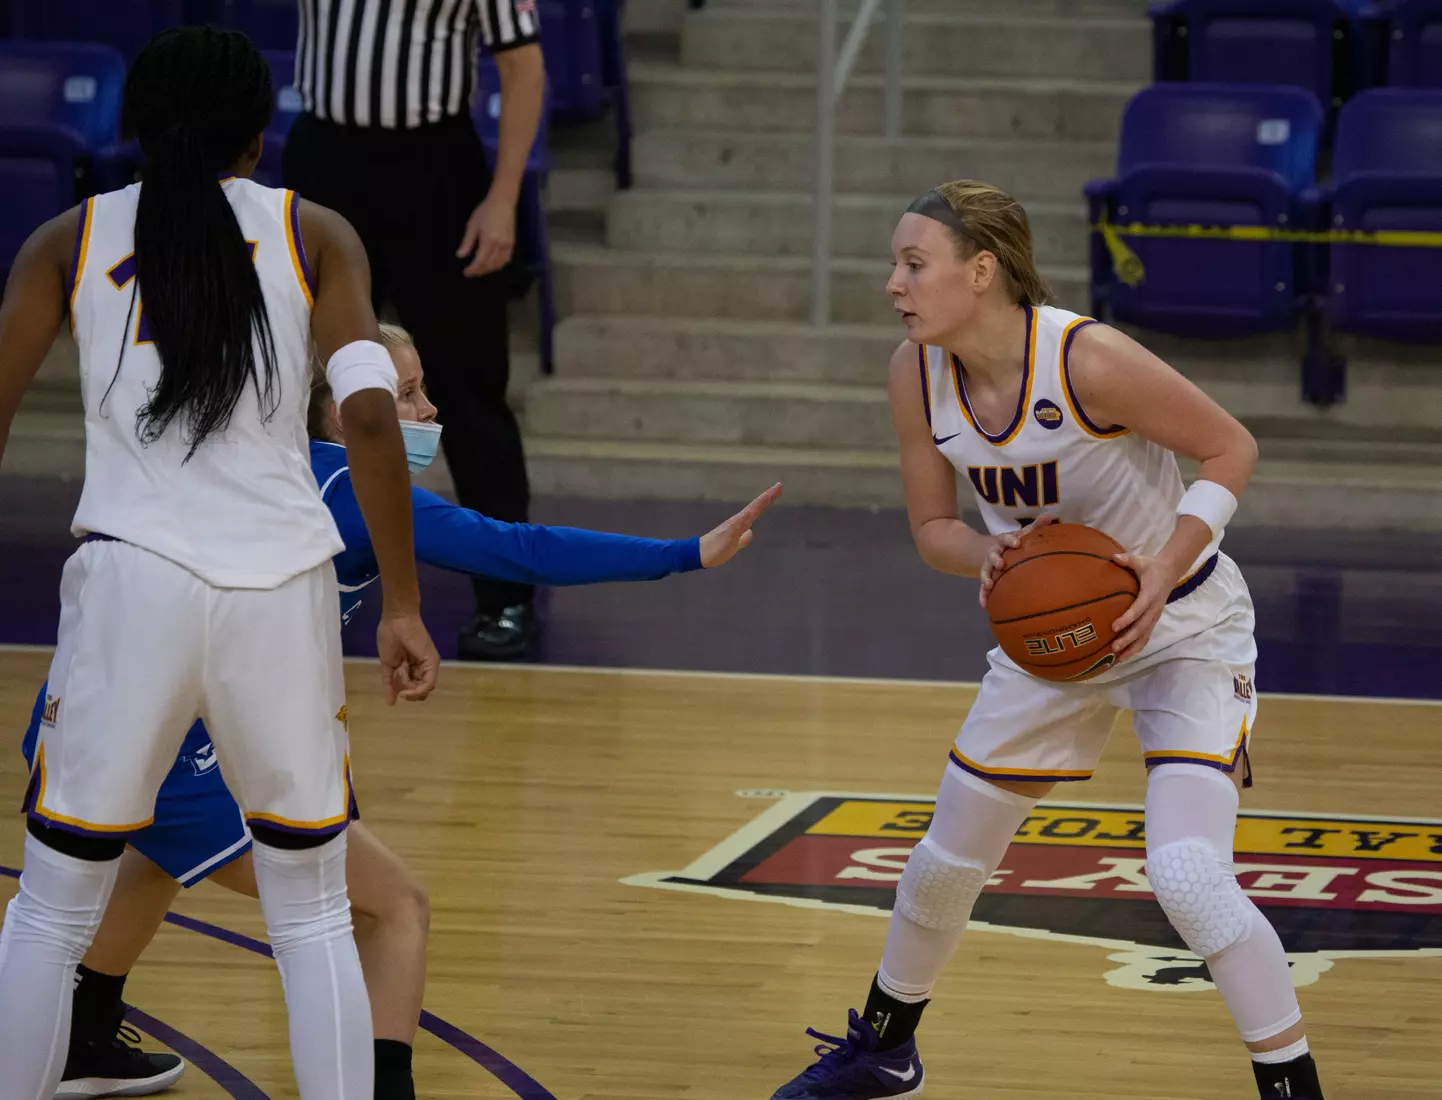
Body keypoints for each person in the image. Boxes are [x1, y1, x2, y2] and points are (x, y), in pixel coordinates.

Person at [23, 324, 781, 1100]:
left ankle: (82, 1036)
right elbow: (521, 548)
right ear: (339, 415)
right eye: (408, 394)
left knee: (152, 863)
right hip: (171, 737)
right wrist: (685, 552)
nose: (427, 408)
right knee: (394, 907)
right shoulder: (350, 491)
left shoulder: (258, 464)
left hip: (89, 709)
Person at [768, 181, 1324, 1100]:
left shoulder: (1089, 359)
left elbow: (1232, 449)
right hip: (1056, 639)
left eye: (913, 263)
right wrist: (988, 554)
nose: (892, 284)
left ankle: (1291, 1085)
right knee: (947, 856)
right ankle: (887, 1051)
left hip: (1180, 623)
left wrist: (1163, 562)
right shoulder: (915, 372)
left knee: (1187, 873)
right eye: (895, 264)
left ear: (980, 272)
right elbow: (932, 531)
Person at [0, 28, 440, 1100]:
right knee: (313, 909)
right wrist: (405, 604)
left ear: (133, 126)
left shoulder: (67, 237)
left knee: (52, 904)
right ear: (261, 128)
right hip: (278, 589)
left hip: (131, 583)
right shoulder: (316, 232)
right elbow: (374, 424)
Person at [284, 0, 549, 660]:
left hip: (434, 167)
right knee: (301, 380)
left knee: (464, 385)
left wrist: (504, 199)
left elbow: (524, 67)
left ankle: (506, 596)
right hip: (324, 156)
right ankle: (288, 571)